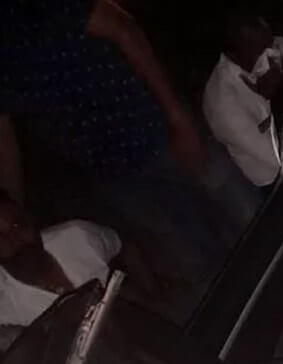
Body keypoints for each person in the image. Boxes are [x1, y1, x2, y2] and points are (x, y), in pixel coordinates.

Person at [0, 0, 260, 293]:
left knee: (247, 214)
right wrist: (11, 215)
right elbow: (5, 142)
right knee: (196, 257)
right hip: (109, 171)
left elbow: (124, 30)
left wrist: (178, 119)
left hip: (153, 126)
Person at [0, 192, 120, 333]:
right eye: (0, 237)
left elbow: (125, 245)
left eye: (17, 225)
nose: (15, 239)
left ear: (30, 220)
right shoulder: (5, 310)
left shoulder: (77, 235)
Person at [203, 10, 283, 188]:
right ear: (235, 54)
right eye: (260, 51)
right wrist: (279, 95)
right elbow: (276, 156)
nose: (271, 52)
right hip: (277, 178)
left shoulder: (265, 43)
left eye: (269, 43)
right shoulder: (222, 103)